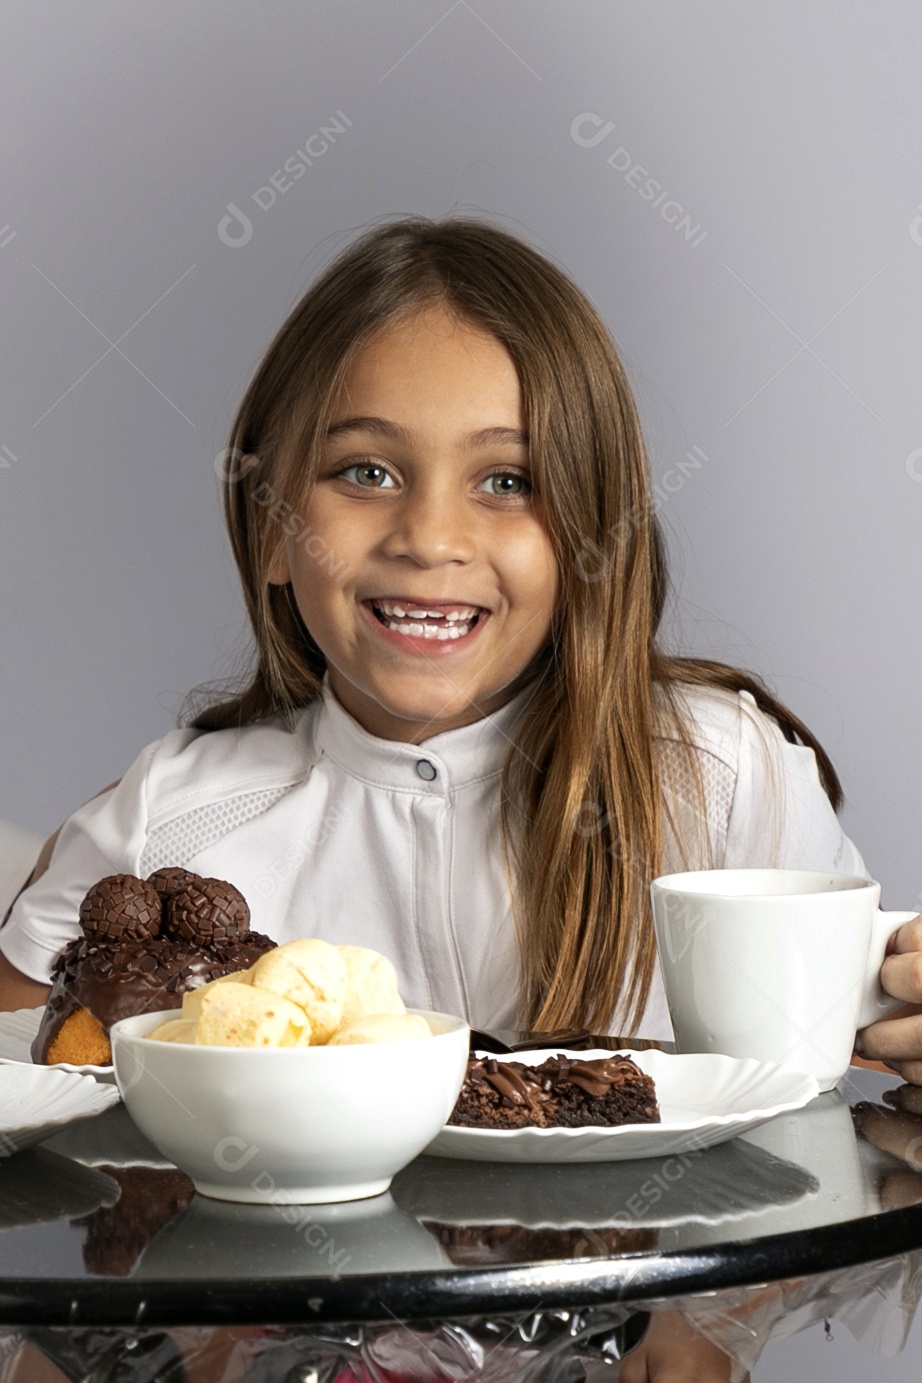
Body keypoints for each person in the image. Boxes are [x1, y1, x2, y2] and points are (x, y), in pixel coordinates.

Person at [4, 215, 918, 1381]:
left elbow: (828, 1117)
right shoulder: (170, 813)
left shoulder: (717, 769)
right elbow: (36, 1173)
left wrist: (712, 1321)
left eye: (508, 481)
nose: (430, 536)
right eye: (364, 471)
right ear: (272, 525)